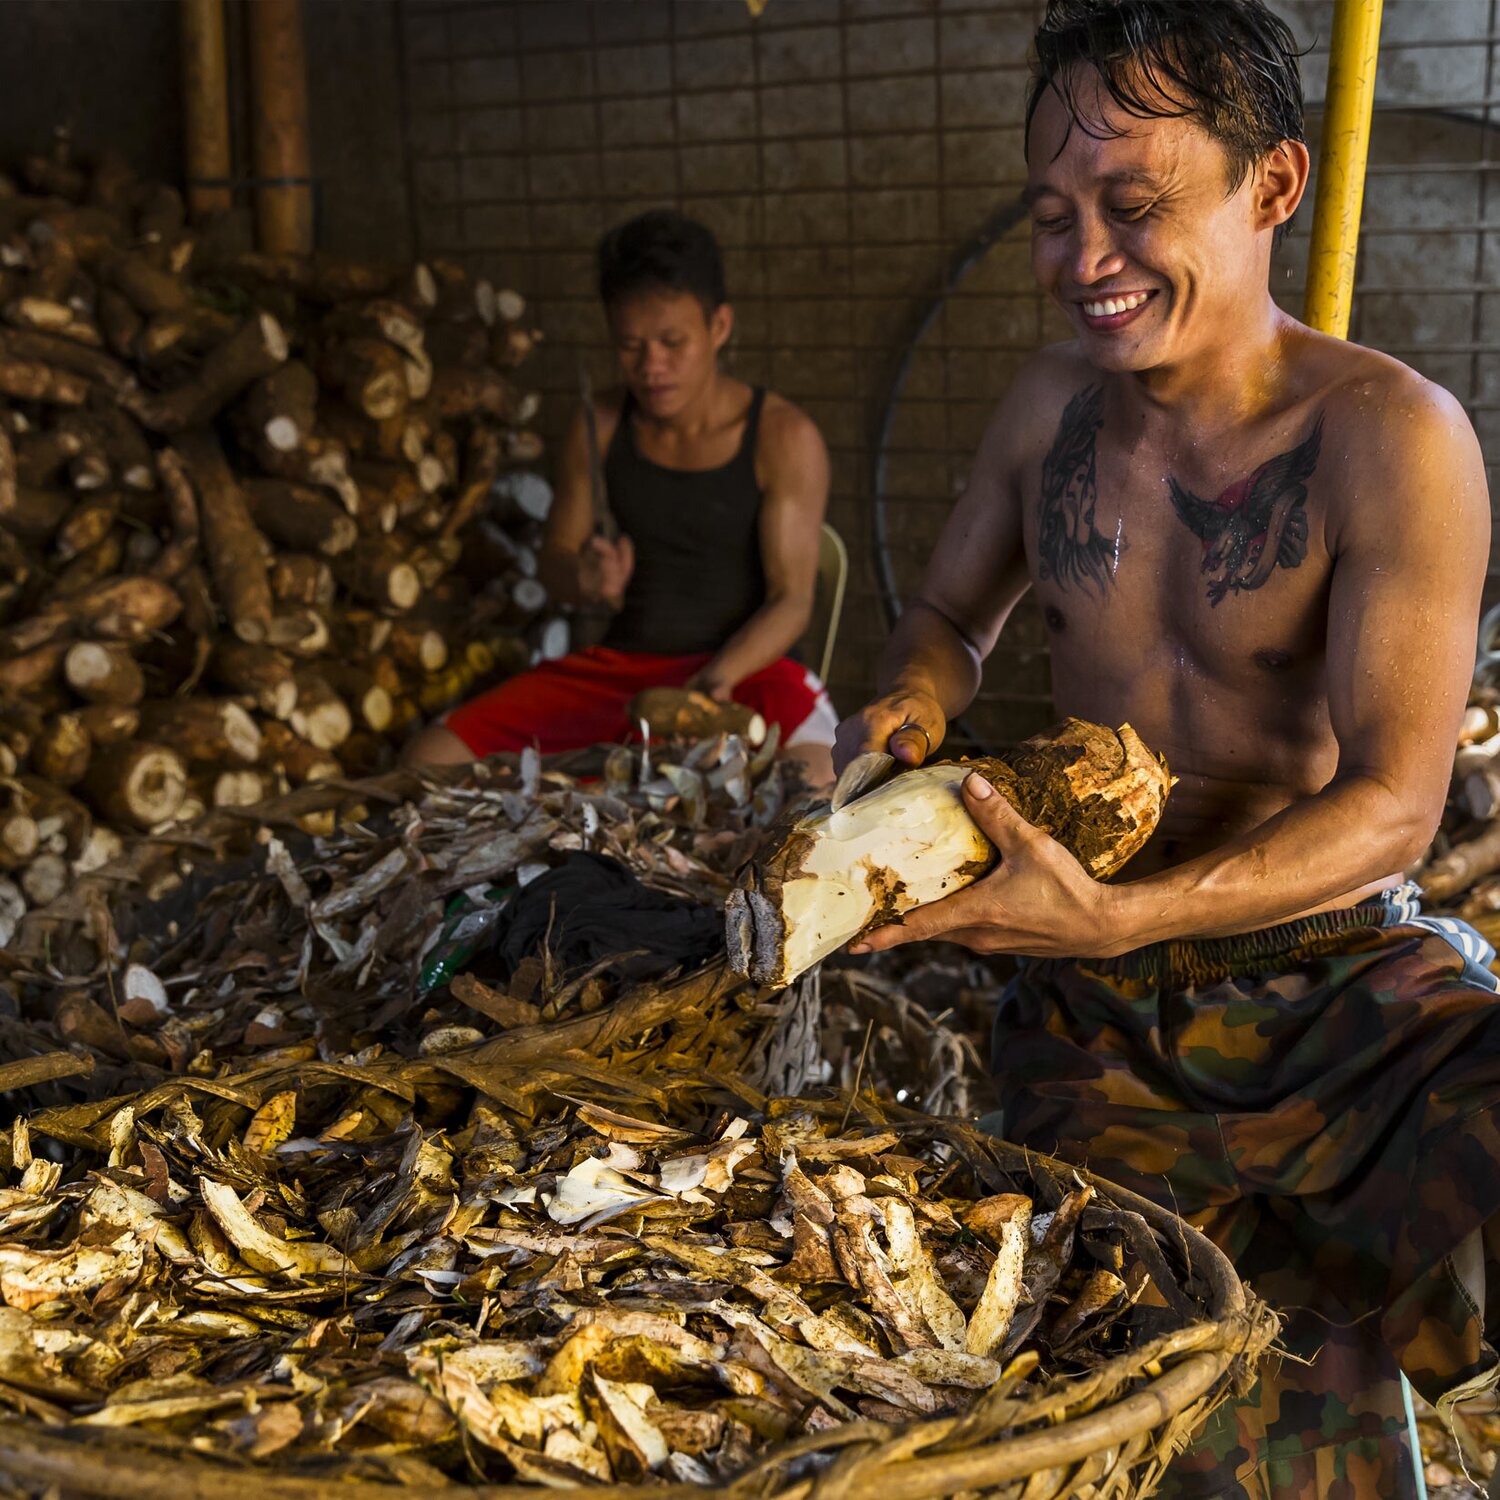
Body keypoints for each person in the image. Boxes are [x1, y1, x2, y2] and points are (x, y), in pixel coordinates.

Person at [836, 2, 1498, 1496]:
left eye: (1134, 209)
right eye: (1053, 218)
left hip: (1344, 988)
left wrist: (1122, 907)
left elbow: (1397, 807)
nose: (1085, 264)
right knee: (1188, 1389)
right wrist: (912, 707)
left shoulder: (1394, 438)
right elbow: (948, 610)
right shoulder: (1043, 411)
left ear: (1273, 186)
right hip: (1100, 1025)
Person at [405, 210, 838, 784]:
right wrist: (582, 578)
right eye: (631, 346)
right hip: (620, 675)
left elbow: (793, 599)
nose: (651, 366)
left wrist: (714, 681)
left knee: (816, 790)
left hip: (746, 673)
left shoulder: (784, 437)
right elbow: (555, 562)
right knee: (426, 762)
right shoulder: (600, 426)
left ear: (720, 326)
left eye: (672, 342)